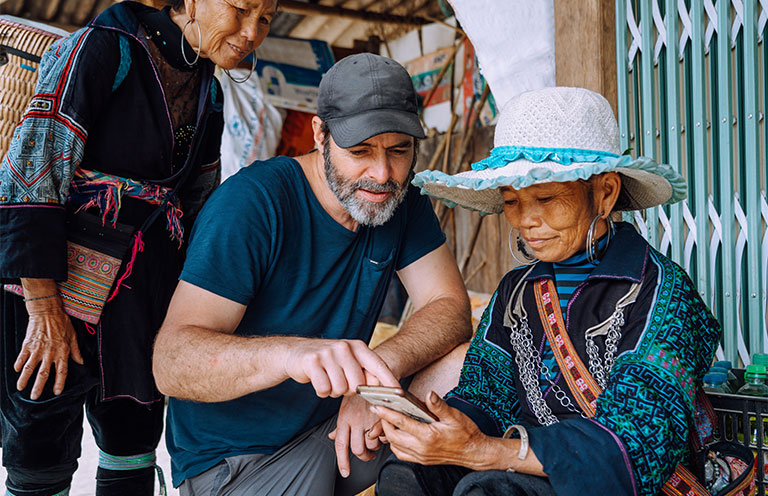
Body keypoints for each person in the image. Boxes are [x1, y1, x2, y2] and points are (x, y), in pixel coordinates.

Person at [374, 86, 722, 496]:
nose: (526, 221)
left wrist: (485, 452)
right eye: (512, 201)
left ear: (605, 193)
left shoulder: (661, 292)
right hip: (517, 467)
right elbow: (486, 396)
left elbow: (637, 444)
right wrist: (440, 426)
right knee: (407, 476)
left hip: (620, 482)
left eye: (545, 197)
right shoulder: (515, 293)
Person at [151, 52, 472, 495]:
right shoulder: (252, 203)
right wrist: (290, 356)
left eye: (399, 150)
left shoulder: (399, 199)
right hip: (241, 463)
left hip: (340, 428)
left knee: (472, 367)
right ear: (320, 134)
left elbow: (451, 308)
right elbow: (170, 363)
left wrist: (374, 381)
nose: (382, 173)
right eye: (360, 151)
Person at [0, 0, 276, 494]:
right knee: (41, 441)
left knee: (134, 437)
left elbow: (198, 204)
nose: (252, 31)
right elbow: (30, 170)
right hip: (53, 283)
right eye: (241, 9)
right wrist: (43, 309)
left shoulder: (208, 89)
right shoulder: (104, 48)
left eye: (265, 19)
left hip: (143, 288)